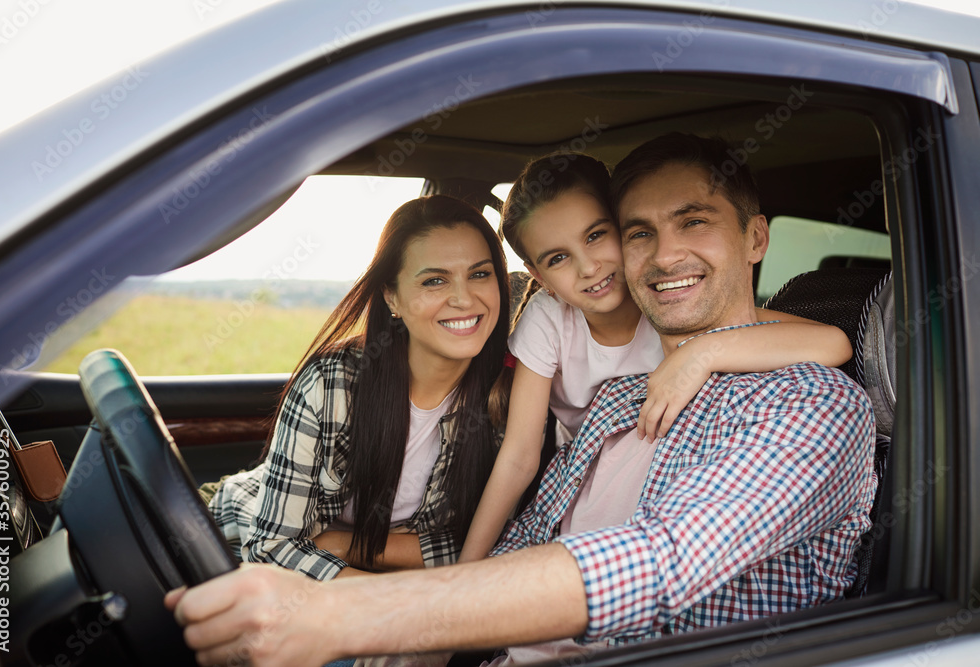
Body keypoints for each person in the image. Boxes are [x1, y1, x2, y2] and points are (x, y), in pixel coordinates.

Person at [167, 133, 877, 667]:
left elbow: (660, 560)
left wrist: (347, 611)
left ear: (756, 238)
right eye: (639, 233)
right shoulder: (615, 399)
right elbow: (521, 531)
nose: (662, 256)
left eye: (694, 221)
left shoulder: (808, 405)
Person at [458, 153, 852, 562]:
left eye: (596, 236)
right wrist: (466, 572)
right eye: (558, 258)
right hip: (581, 464)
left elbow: (830, 342)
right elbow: (520, 457)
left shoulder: (669, 307)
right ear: (538, 276)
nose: (589, 267)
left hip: (657, 455)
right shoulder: (551, 320)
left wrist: (700, 353)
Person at [205, 195, 511, 583]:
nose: (465, 298)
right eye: (435, 280)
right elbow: (271, 550)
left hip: (348, 567)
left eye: (480, 274)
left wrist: (348, 545)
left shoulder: (505, 397)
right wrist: (393, 600)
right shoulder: (332, 384)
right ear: (391, 297)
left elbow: (491, 543)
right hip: (223, 537)